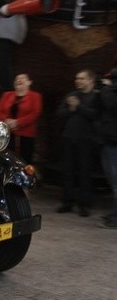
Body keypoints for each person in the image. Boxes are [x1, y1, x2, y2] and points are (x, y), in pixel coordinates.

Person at [56, 69, 100, 217]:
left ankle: (84, 205)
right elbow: (60, 113)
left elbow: (94, 115)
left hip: (86, 141)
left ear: (90, 81)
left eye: (82, 79)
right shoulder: (71, 95)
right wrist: (72, 108)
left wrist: (78, 107)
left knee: (84, 173)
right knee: (68, 172)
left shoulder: (96, 97)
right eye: (77, 78)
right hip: (68, 139)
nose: (78, 81)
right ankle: (67, 202)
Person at [0, 73, 42, 164]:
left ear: (29, 82)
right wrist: (6, 121)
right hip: (7, 132)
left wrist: (18, 122)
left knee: (25, 159)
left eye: (23, 78)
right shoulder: (6, 95)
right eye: (17, 78)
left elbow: (35, 113)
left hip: (26, 134)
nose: (19, 80)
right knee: (7, 158)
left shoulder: (35, 96)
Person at [98, 68, 117, 228]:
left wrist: (106, 88)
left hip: (114, 143)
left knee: (116, 182)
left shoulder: (109, 93)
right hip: (109, 141)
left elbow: (111, 104)